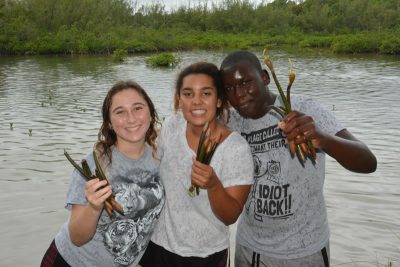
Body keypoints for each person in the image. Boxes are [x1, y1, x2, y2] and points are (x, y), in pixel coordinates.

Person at [219, 51, 377, 267]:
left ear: (265, 77)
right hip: (250, 248)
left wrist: (322, 139)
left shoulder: (305, 109)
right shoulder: (230, 121)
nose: (239, 95)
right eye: (229, 88)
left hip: (304, 251)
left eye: (246, 82)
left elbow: (368, 162)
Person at [139, 62, 254, 267]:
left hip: (205, 255)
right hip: (157, 245)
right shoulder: (171, 127)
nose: (197, 102)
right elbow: (149, 168)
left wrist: (213, 185)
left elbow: (231, 216)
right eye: (188, 94)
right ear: (179, 99)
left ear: (219, 100)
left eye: (206, 93)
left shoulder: (236, 149)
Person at [40, 80, 165, 267]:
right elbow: (77, 237)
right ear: (110, 123)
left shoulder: (160, 154)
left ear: (151, 112)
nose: (131, 118)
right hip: (72, 261)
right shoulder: (95, 164)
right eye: (120, 112)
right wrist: (93, 207)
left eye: (138, 108)